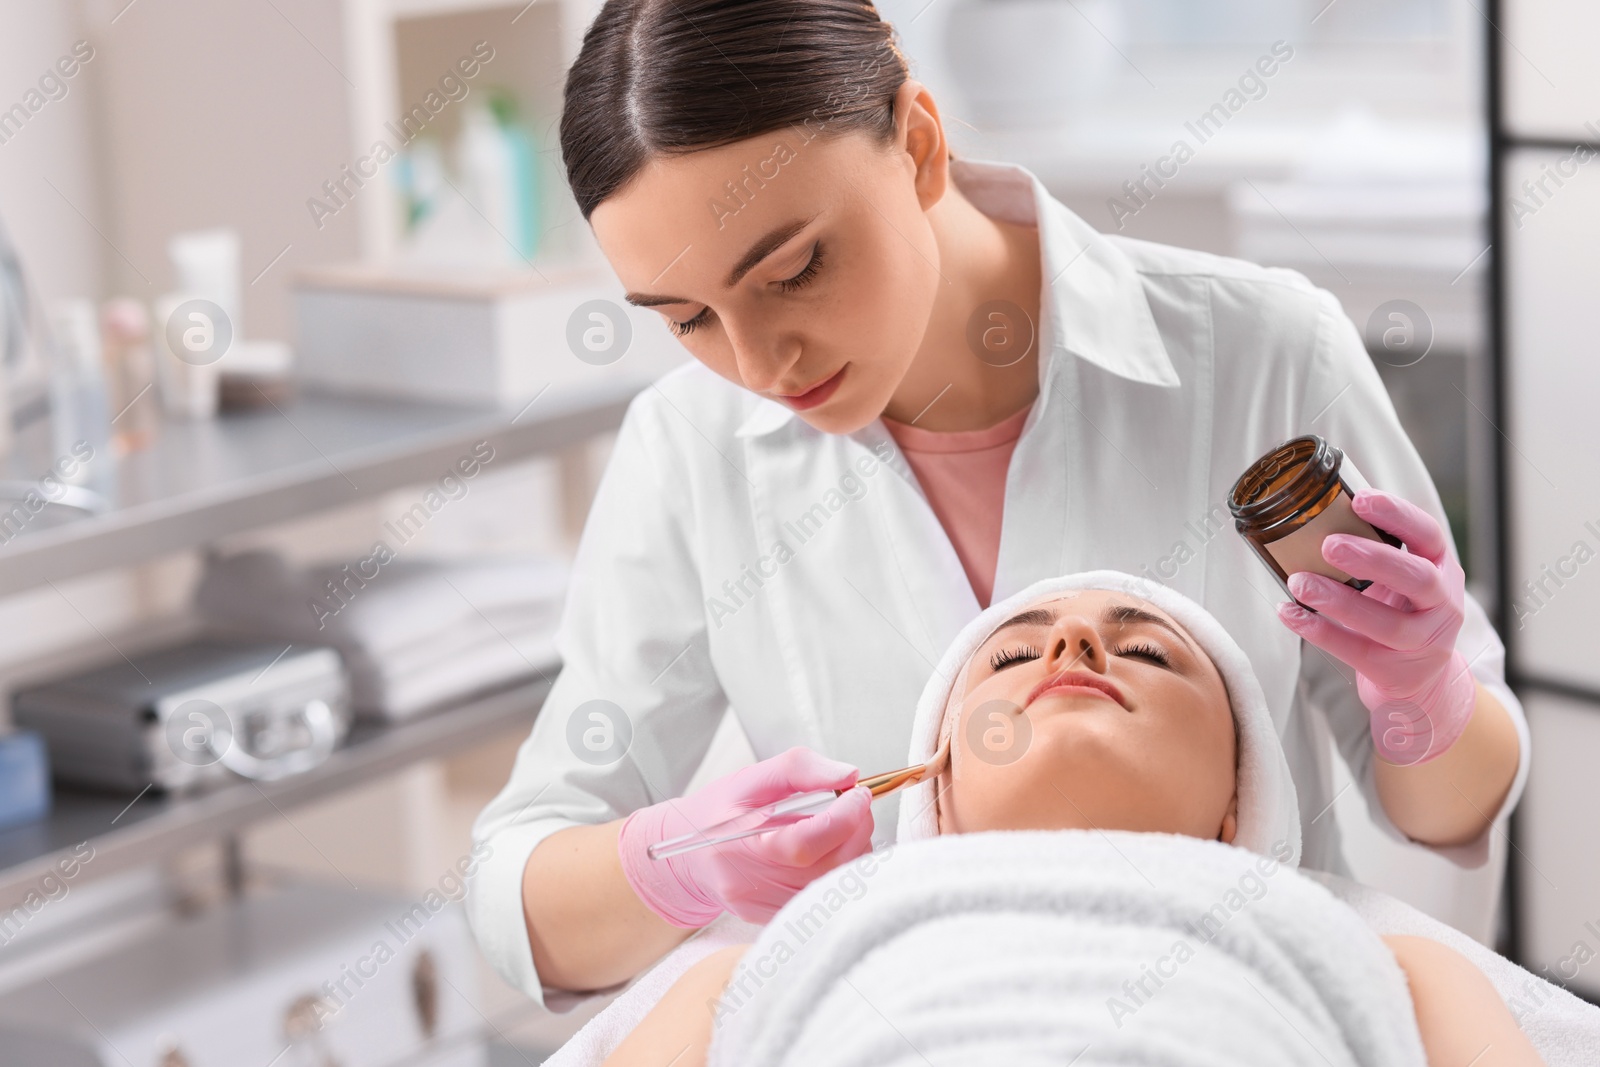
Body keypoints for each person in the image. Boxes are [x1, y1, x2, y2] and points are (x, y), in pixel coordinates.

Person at [468, 0, 1528, 1004]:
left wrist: (1419, 688)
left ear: (919, 141)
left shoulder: (1258, 355)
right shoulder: (688, 447)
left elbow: (1451, 813)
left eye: (794, 268)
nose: (759, 362)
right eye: (689, 317)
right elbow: (518, 887)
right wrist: (675, 870)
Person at [601, 576, 1549, 1067]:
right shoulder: (766, 955)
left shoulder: (1394, 959)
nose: (1072, 643)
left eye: (1146, 649)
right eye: (1012, 657)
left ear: (1238, 800)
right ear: (941, 795)